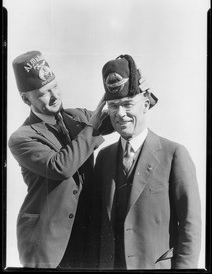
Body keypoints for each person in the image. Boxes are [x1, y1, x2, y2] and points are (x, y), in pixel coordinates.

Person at [8, 51, 156, 269]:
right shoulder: (22, 137)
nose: (54, 96)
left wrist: (140, 90)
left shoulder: (77, 117)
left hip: (88, 236)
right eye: (43, 93)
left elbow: (121, 117)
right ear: (25, 99)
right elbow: (60, 167)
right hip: (48, 244)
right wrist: (93, 124)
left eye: (55, 87)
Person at [88, 54, 202, 270]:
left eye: (128, 104)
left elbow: (190, 227)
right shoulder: (103, 157)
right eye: (113, 106)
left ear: (146, 105)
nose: (120, 114)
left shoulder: (174, 154)